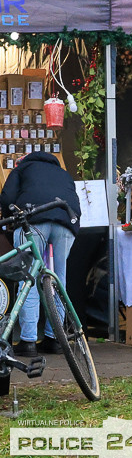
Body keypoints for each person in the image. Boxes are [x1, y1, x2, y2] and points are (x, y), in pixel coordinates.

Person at [0, 152, 81, 357]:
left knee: (29, 278)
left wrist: (10, 219)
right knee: (58, 279)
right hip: (65, 223)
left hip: (33, 222)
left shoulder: (22, 169)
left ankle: (28, 341)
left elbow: (7, 198)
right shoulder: (63, 173)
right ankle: (56, 339)